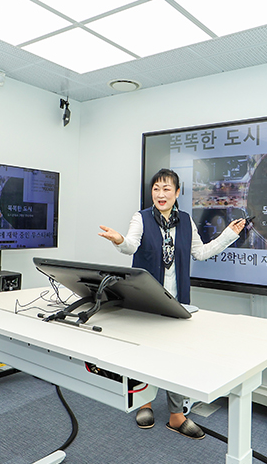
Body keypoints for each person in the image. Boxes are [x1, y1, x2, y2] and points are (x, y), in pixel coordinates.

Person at [98, 168, 246, 439]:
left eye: (167, 189)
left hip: (176, 301)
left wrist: (228, 235)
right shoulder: (140, 218)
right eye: (156, 188)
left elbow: (200, 253)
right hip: (145, 300)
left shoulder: (186, 221)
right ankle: (144, 403)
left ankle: (177, 416)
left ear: (178, 193)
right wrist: (119, 240)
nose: (161, 194)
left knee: (176, 357)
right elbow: (131, 245)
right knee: (143, 352)